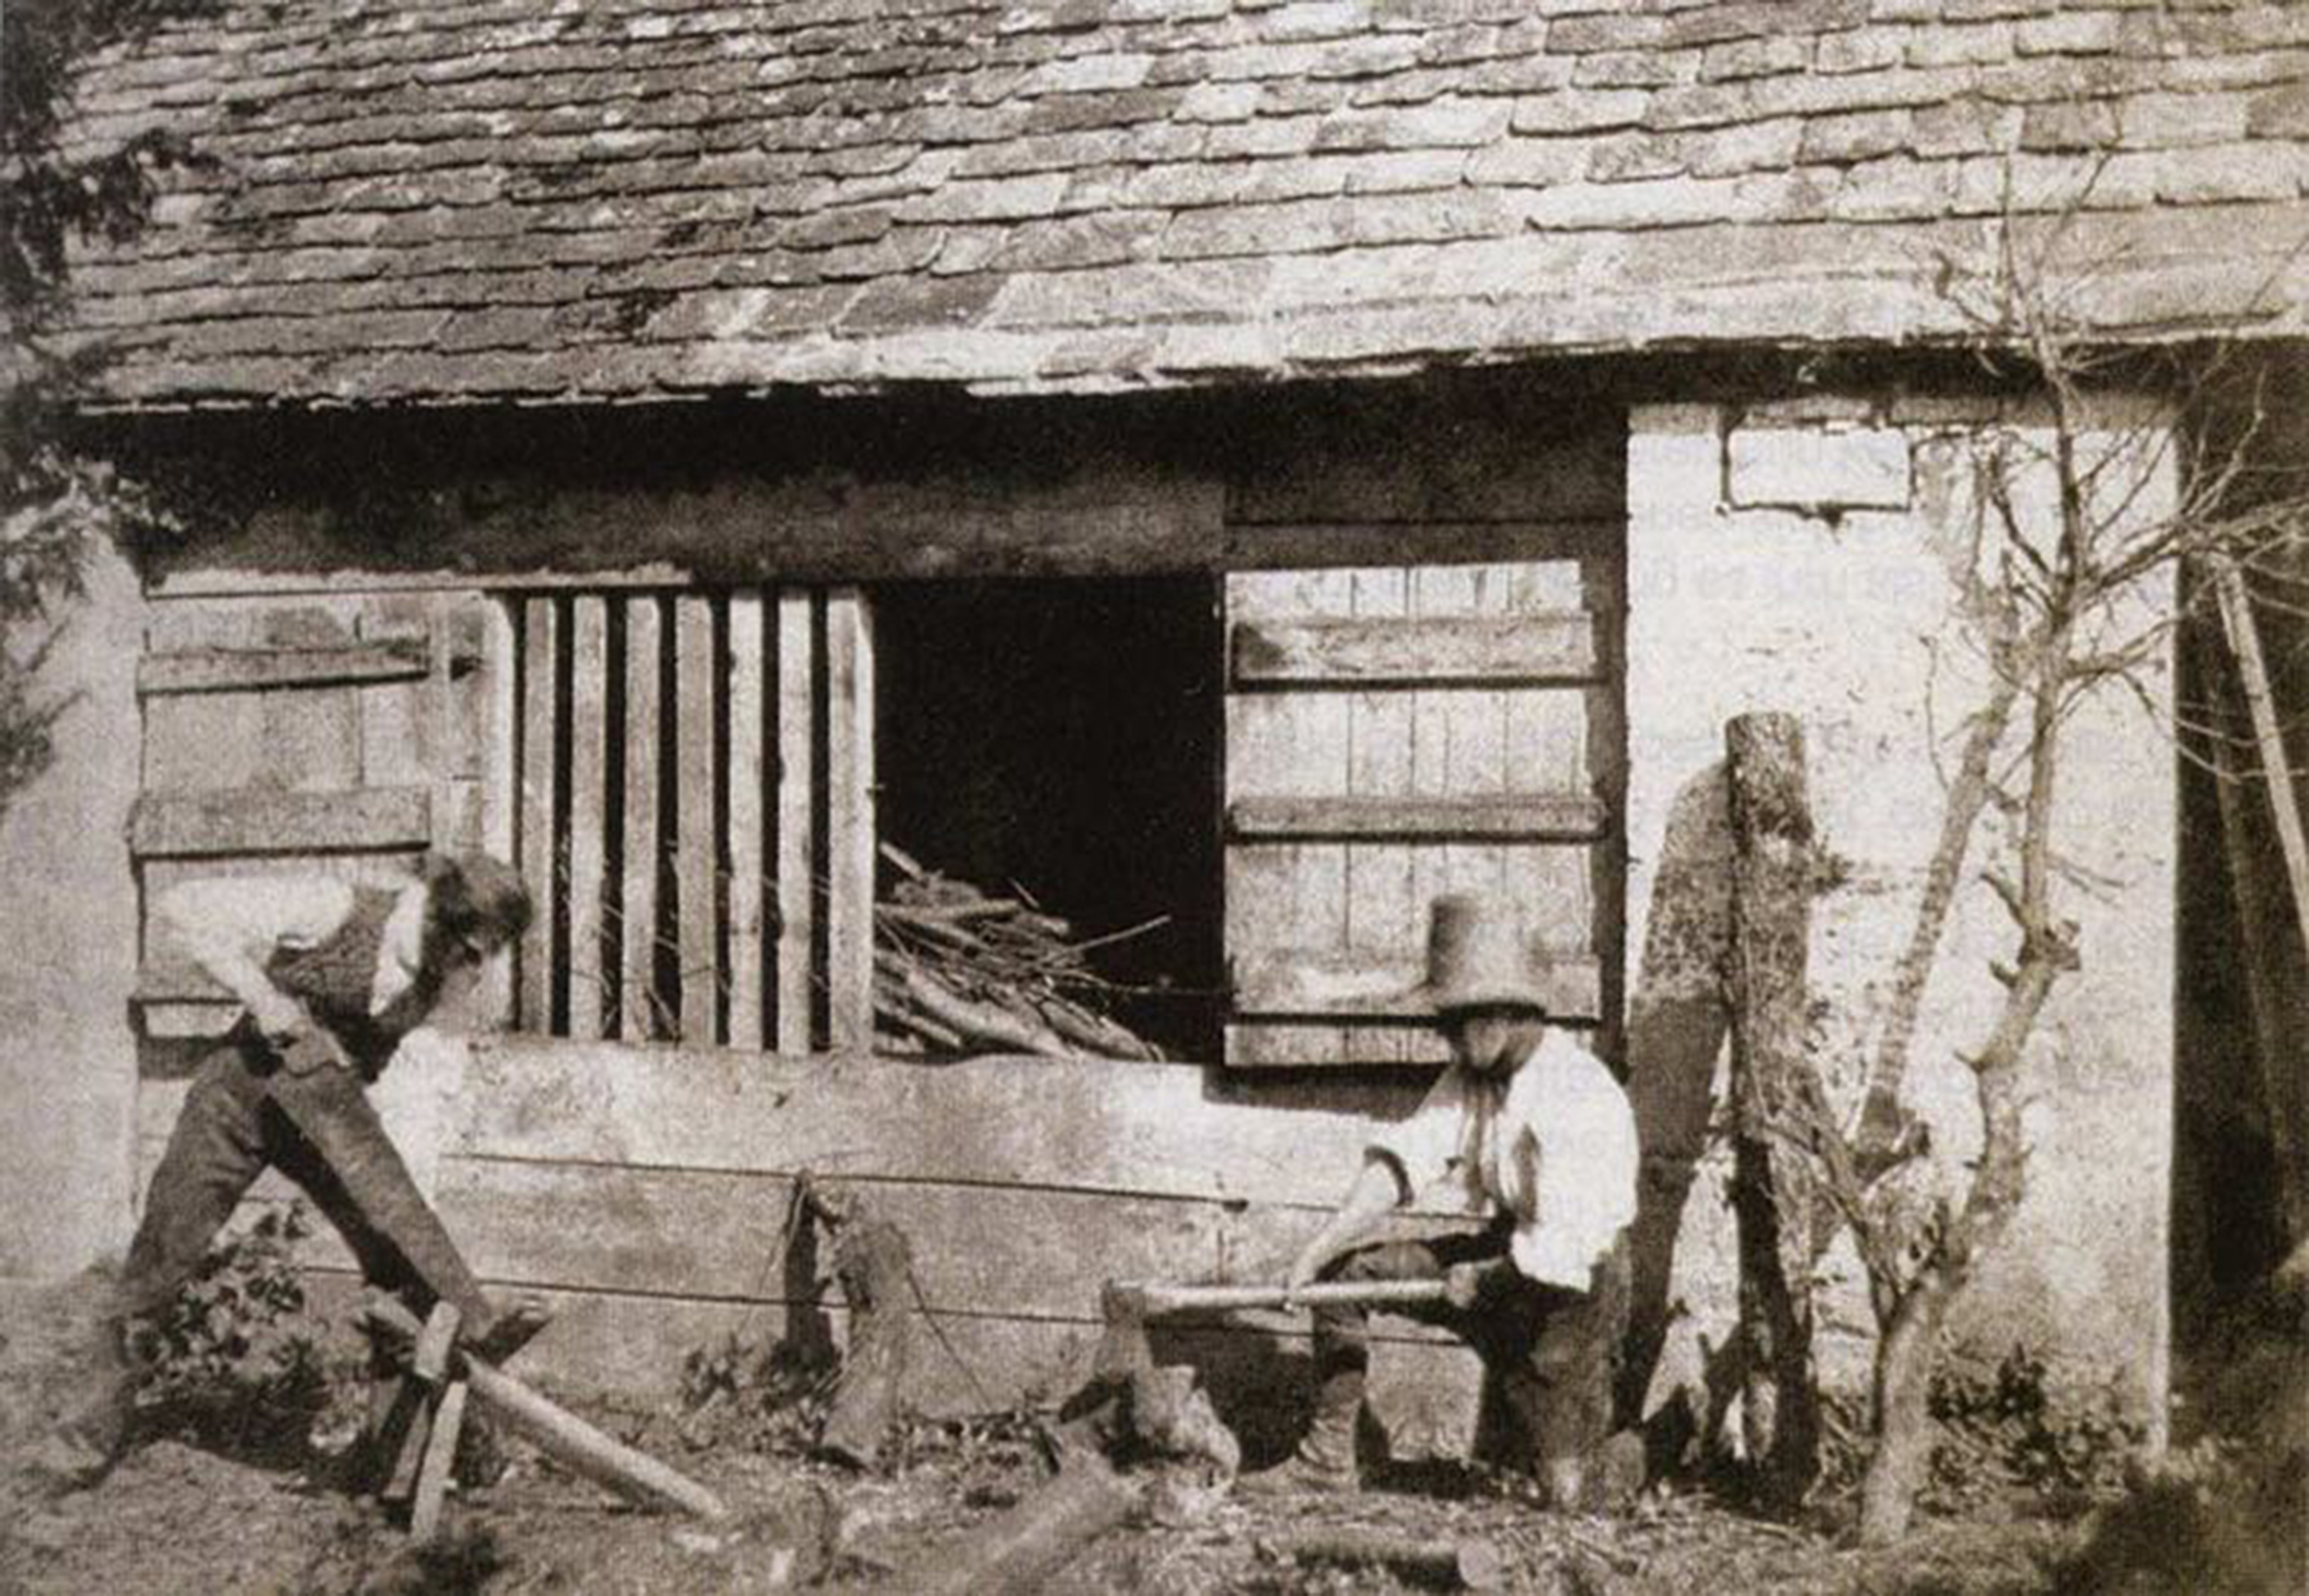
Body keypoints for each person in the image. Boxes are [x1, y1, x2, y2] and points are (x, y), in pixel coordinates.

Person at [44, 849, 550, 1488]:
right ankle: (72, 1453)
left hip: (324, 1110)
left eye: (490, 954)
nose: (477, 969)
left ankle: (393, 1467)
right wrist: (262, 996)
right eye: (474, 951)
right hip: (239, 1099)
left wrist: (398, 1192)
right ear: (442, 922)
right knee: (158, 1264)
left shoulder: (438, 981)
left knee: (398, 1263)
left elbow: (393, 1096)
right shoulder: (333, 908)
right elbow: (183, 908)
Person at [1241, 893, 1642, 1507]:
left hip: (1572, 1294)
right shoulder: (1474, 1074)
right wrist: (1323, 1245)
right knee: (1346, 1277)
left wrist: (1482, 1281)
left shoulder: (1578, 1095)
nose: (1445, 1036)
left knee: (1566, 1495)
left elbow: (1562, 1256)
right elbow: (1409, 1157)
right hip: (1504, 1256)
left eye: (1456, 1021)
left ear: (1504, 1014)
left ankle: (1648, 1443)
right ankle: (1325, 1463)